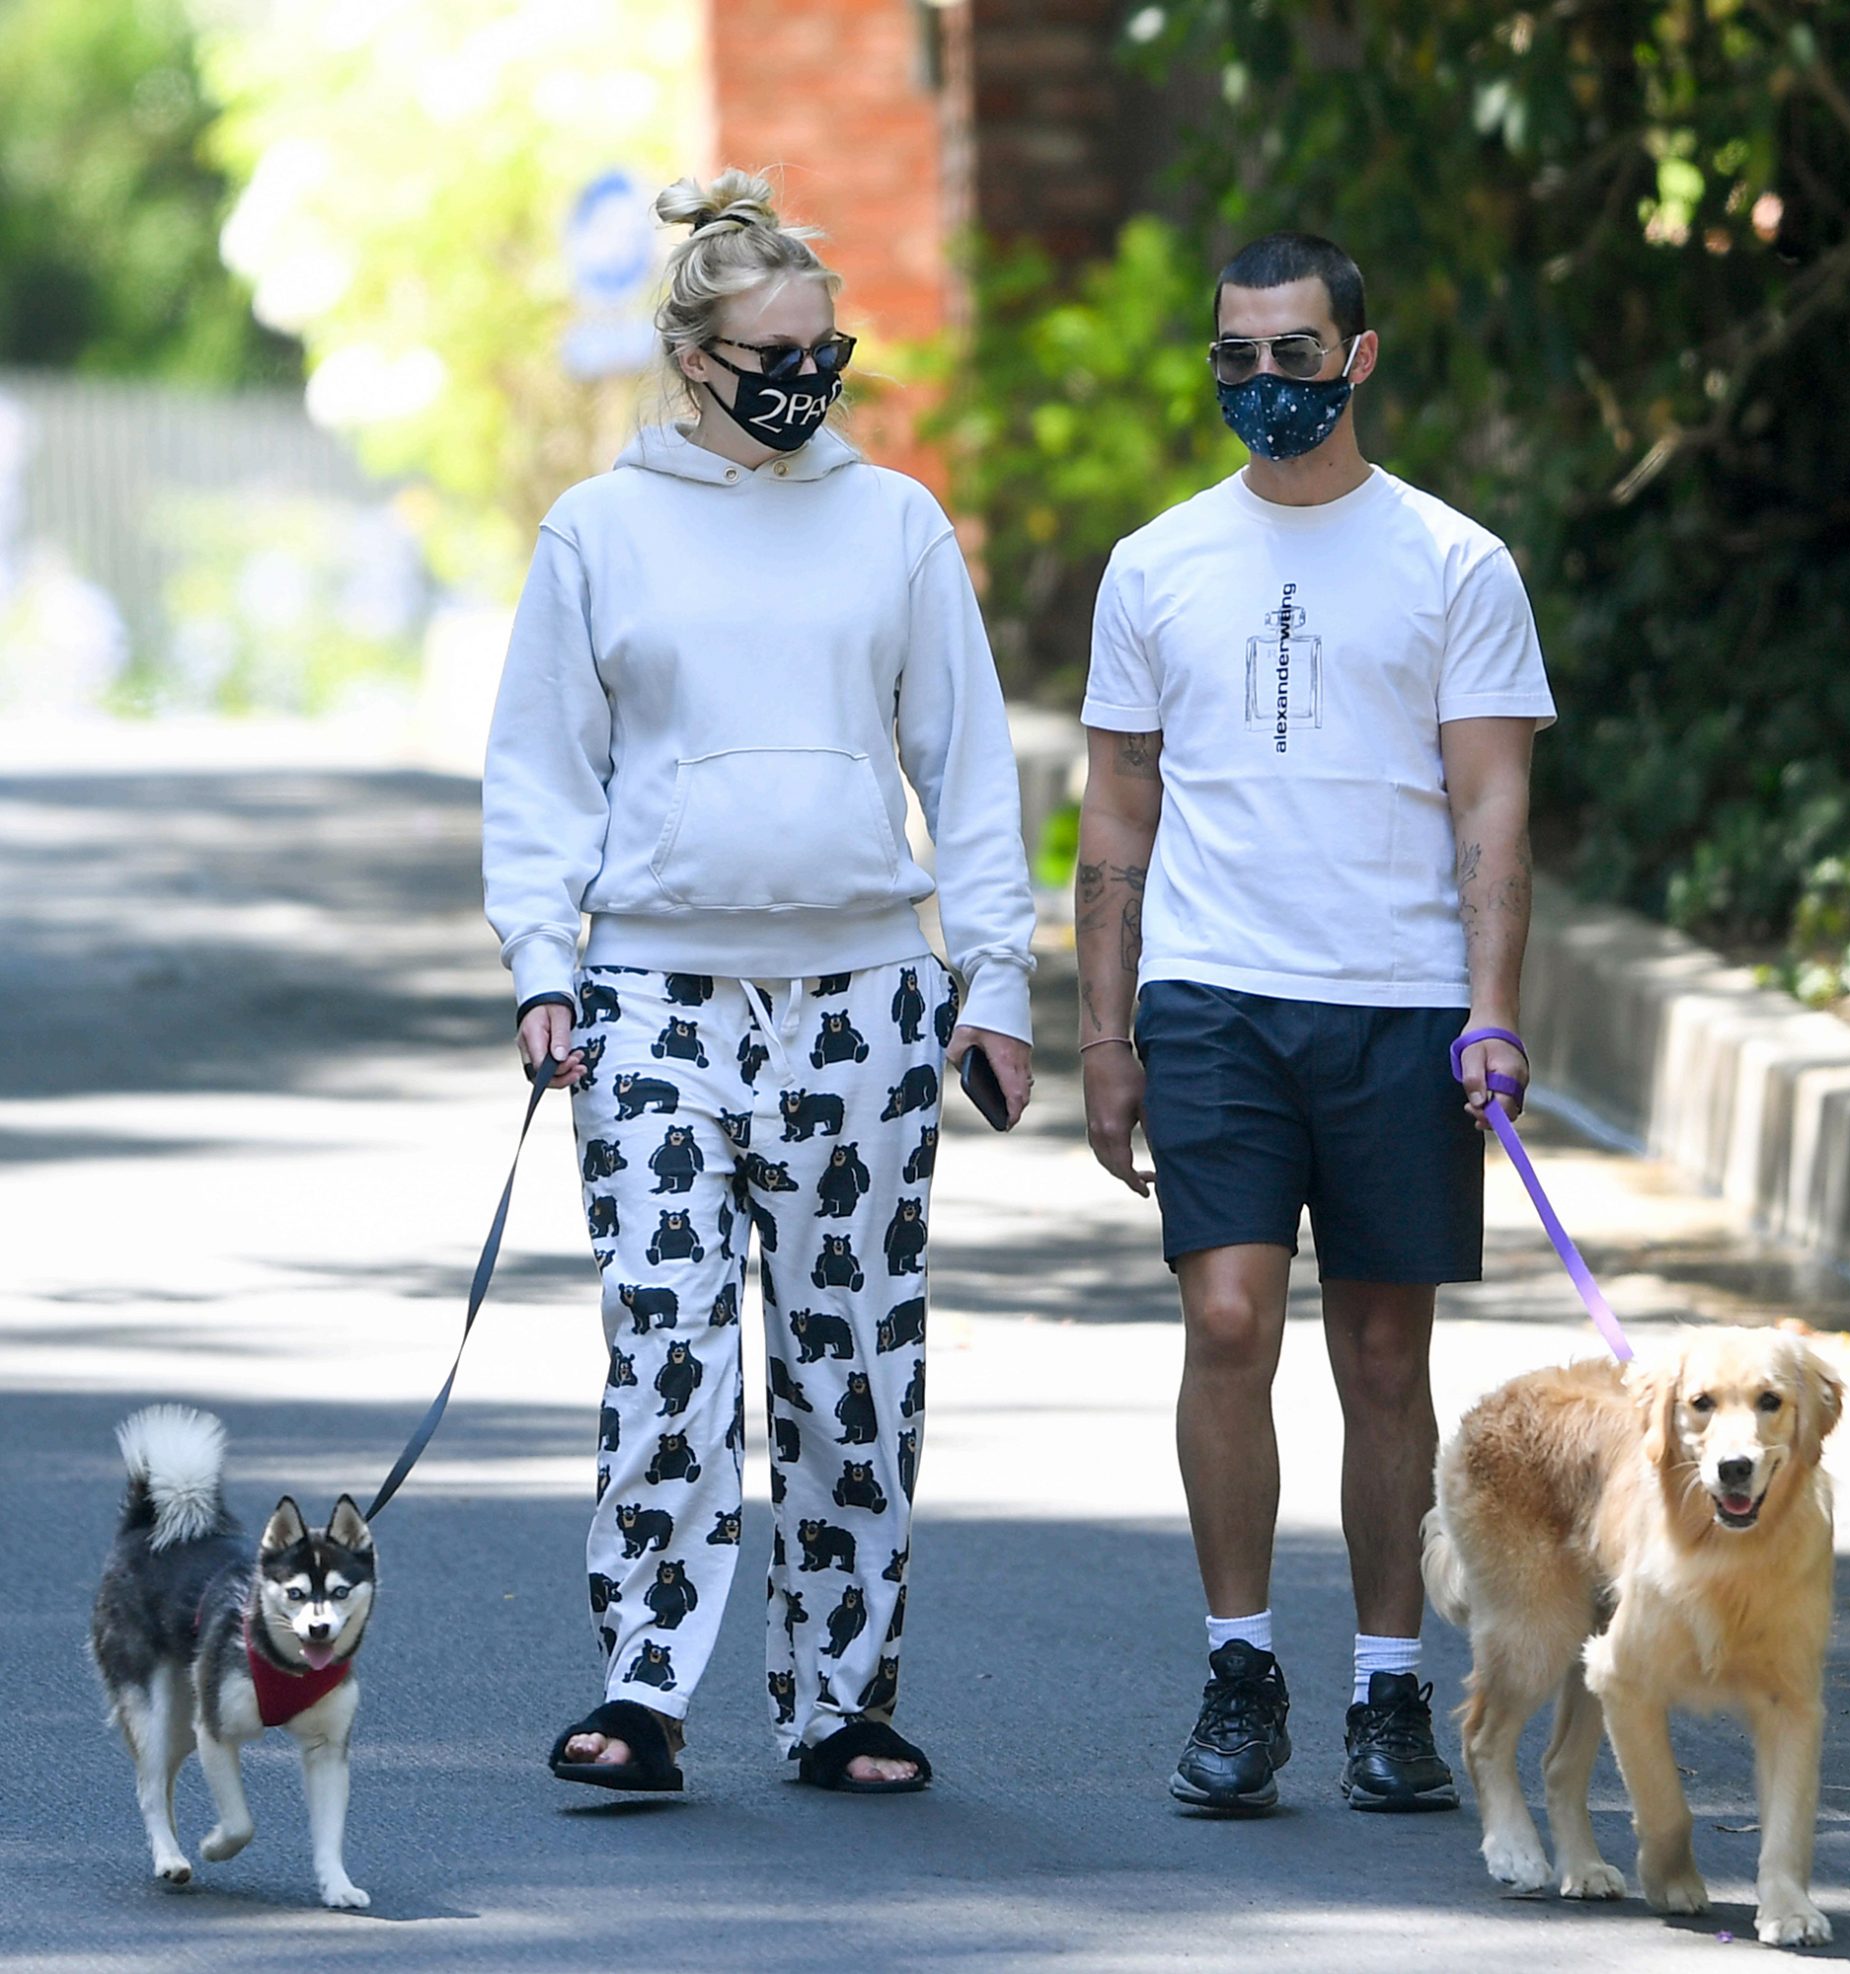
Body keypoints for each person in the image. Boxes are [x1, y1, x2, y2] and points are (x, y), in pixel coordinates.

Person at [482, 169, 1035, 1797]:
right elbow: (538, 776)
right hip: (653, 993)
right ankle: (645, 1685)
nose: (805, 375)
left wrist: (993, 979)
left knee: (852, 1352)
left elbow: (972, 766)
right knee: (668, 1339)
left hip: (866, 988)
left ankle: (840, 1696)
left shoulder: (897, 523)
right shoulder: (601, 530)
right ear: (693, 356)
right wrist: (542, 966)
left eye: (826, 344)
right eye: (771, 348)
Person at [1075, 230, 1554, 1815]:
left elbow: (1492, 801)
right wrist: (1104, 1032)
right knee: (1226, 1320)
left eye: (1292, 355)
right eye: (1236, 359)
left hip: (1399, 1003)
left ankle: (1388, 1690)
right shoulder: (1154, 565)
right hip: (1213, 996)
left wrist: (1492, 1010)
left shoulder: (1454, 562)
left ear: (1356, 357)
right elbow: (1115, 813)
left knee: (1384, 1353)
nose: (1264, 384)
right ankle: (1238, 1667)